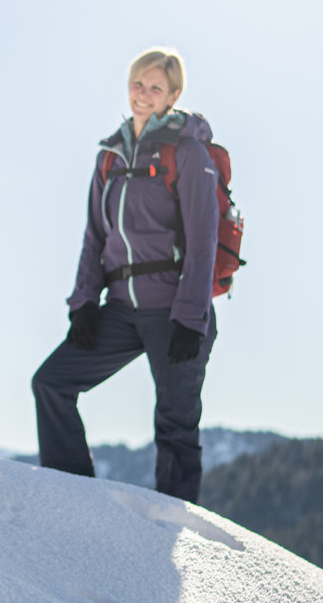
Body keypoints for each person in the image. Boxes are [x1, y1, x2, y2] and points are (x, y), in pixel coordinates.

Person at [32, 48, 220, 503]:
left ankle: (173, 529)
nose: (144, 94)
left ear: (173, 95)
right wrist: (82, 306)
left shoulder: (188, 152)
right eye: (138, 83)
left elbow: (203, 237)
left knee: (175, 426)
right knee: (51, 383)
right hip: (119, 310)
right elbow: (94, 237)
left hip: (174, 311)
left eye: (156, 88)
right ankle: (72, 497)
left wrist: (191, 319)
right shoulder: (110, 158)